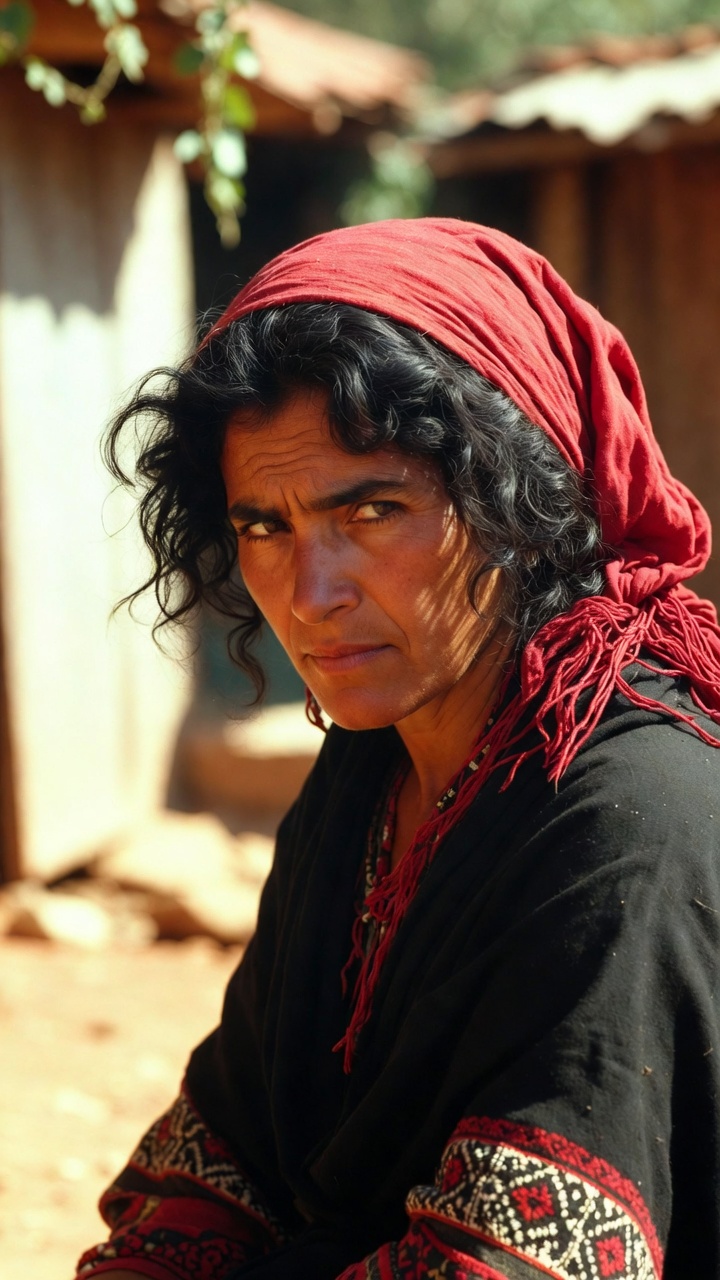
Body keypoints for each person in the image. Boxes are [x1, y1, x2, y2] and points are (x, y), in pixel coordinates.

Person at [76, 219, 720, 1280]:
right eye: (265, 525)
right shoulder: (374, 770)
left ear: (521, 499)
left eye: (371, 510)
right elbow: (231, 1141)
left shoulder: (632, 819)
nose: (309, 594)